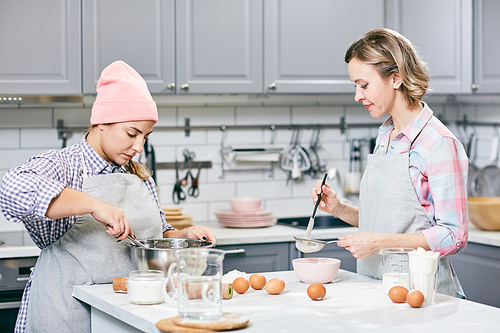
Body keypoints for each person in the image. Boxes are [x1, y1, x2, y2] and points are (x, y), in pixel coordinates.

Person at [0, 60, 216, 333]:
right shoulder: (64, 166)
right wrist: (93, 205)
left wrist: (183, 235)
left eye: (146, 137)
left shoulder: (138, 175)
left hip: (127, 314)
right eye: (132, 133)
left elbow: (153, 238)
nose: (138, 147)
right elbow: (11, 189)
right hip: (69, 314)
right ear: (101, 121)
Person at [311, 28, 468, 297]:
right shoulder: (386, 135)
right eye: (355, 86)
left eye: (364, 85)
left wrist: (379, 242)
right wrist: (339, 209)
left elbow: (454, 235)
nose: (357, 96)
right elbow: (392, 221)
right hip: (376, 288)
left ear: (395, 78)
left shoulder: (437, 143)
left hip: (424, 295)